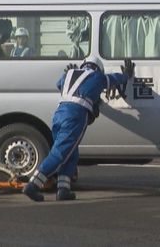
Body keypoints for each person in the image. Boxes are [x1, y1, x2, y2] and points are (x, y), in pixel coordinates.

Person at [23, 59, 132, 201]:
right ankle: (33, 185)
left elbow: (59, 84)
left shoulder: (69, 74)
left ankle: (63, 190)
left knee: (71, 152)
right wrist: (127, 75)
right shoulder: (97, 76)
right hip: (75, 115)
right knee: (60, 153)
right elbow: (113, 79)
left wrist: (71, 75)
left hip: (59, 114)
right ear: (98, 69)